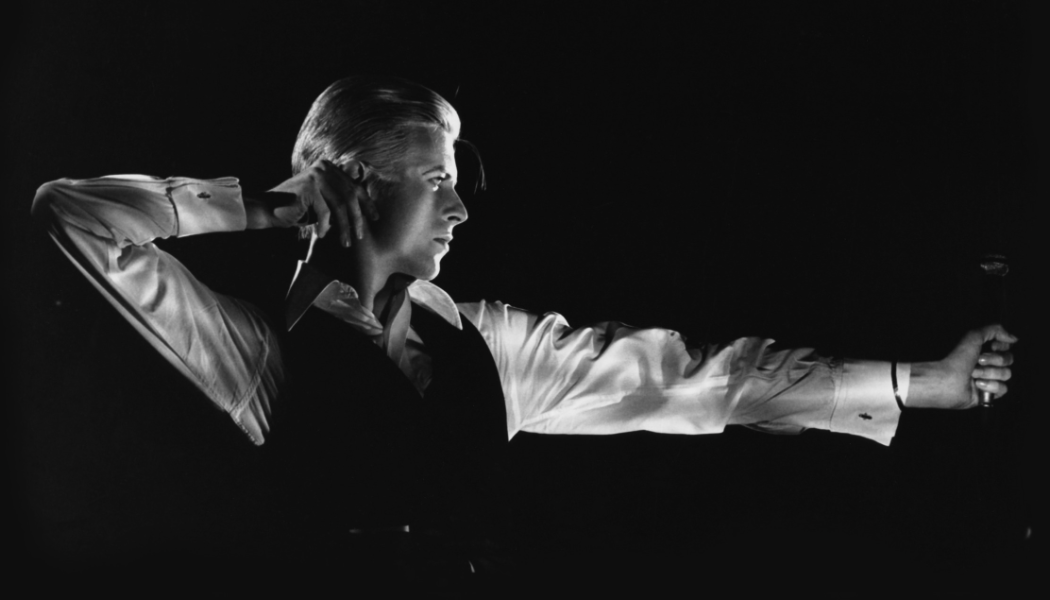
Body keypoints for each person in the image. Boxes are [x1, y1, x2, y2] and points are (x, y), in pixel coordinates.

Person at [31, 75, 1017, 591]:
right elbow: (76, 217)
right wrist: (270, 207)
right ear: (352, 186)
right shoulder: (253, 354)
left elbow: (701, 381)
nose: (460, 211)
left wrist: (921, 383)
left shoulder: (488, 343)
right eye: (436, 181)